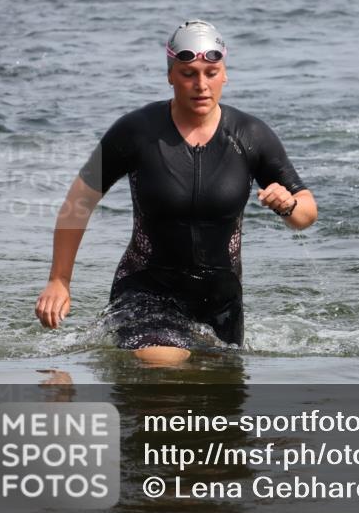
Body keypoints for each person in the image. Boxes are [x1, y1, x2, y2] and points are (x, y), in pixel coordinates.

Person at [34, 19, 317, 349]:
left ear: (225, 74)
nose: (201, 84)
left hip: (220, 302)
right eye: (188, 74)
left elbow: (307, 214)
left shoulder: (250, 136)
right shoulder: (136, 132)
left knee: (214, 391)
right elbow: (79, 200)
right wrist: (59, 280)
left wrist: (289, 205)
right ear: (170, 75)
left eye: (211, 74)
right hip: (146, 289)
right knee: (161, 360)